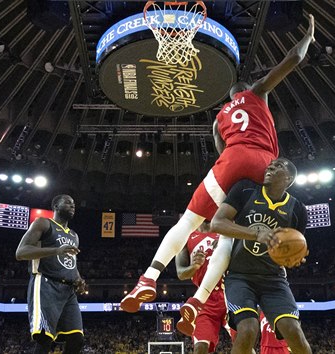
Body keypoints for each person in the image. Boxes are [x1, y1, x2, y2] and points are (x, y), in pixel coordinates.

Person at [120, 14, 316, 314]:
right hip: (263, 164)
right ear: (248, 90)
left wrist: (229, 172)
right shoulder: (258, 93)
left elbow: (220, 149)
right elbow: (292, 59)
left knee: (189, 222)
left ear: (229, 97)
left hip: (231, 158)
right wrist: (308, 38)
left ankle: (149, 278)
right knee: (227, 234)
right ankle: (198, 301)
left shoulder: (220, 118)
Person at [206, 158, 311, 354]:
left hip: (274, 279)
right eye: (270, 165)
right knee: (248, 329)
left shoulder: (297, 209)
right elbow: (217, 223)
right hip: (239, 276)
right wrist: (256, 234)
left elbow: (294, 245)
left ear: (288, 178)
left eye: (278, 166)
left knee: (294, 330)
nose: (270, 166)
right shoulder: (245, 189)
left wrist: (295, 258)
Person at [16, 194, 86, 354]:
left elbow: (70, 262)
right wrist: (56, 250)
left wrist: (78, 279)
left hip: (68, 290)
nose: (72, 206)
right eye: (68, 203)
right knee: (45, 338)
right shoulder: (43, 223)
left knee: (76, 339)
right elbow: (20, 252)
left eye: (74, 203)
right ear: (55, 206)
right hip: (46, 284)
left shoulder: (74, 235)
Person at [174, 221, 232, 353]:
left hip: (230, 293)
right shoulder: (186, 236)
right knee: (200, 347)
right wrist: (194, 267)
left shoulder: (226, 231)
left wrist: (228, 244)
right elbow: (180, 273)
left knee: (244, 341)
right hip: (205, 299)